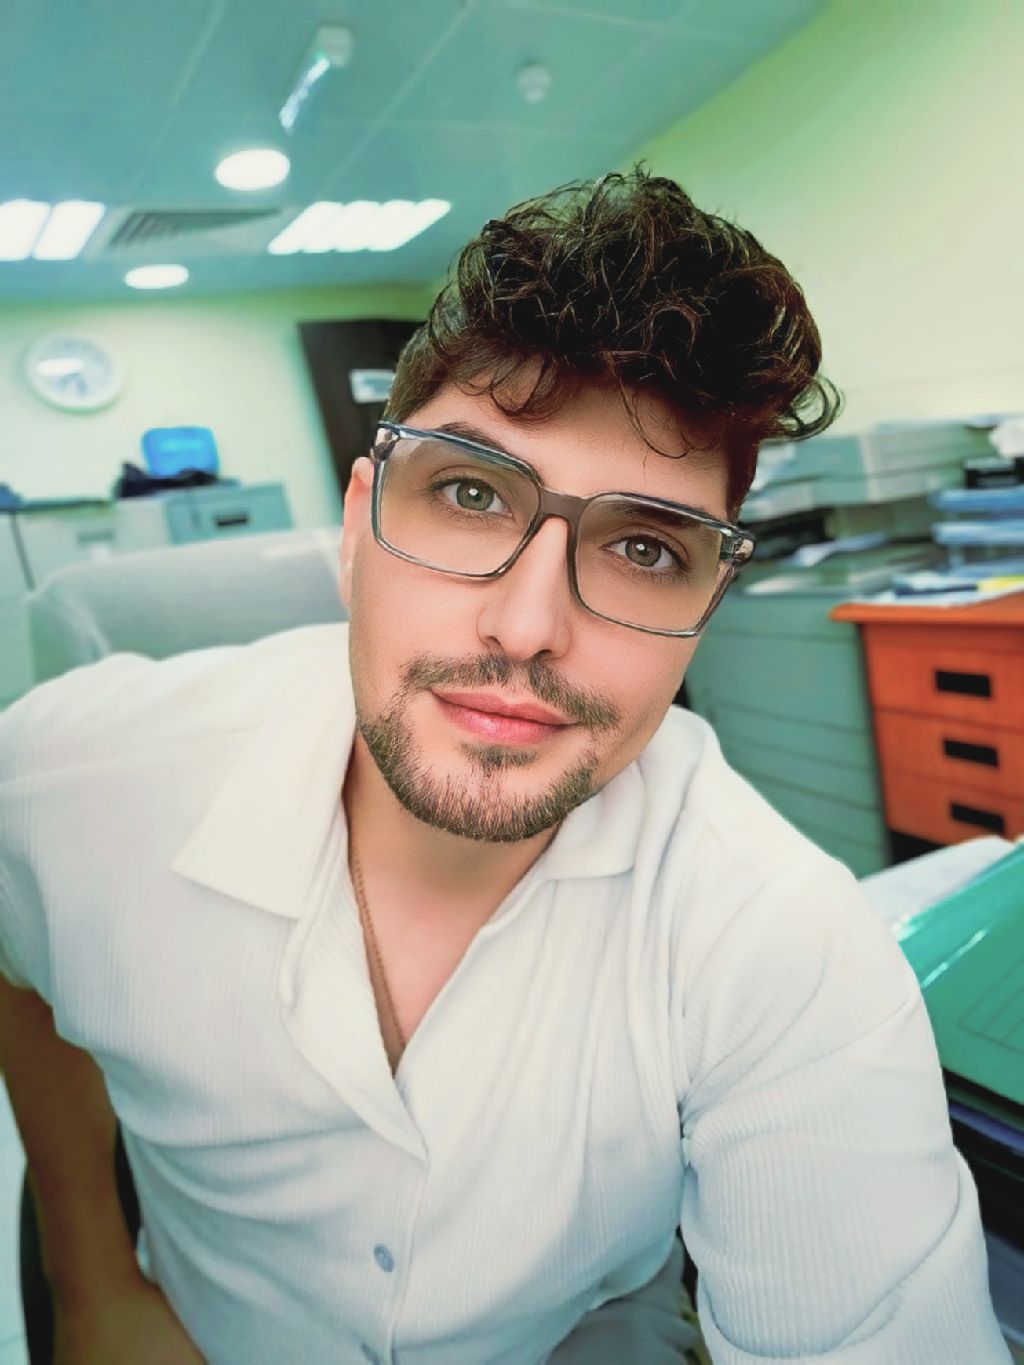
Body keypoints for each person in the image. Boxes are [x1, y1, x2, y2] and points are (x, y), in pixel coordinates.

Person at [0, 169, 1010, 1365]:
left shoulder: (778, 938)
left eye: (644, 548)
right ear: (357, 528)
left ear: (704, 608)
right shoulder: (74, 781)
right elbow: (21, 956)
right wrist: (88, 1274)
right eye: (471, 493)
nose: (527, 627)